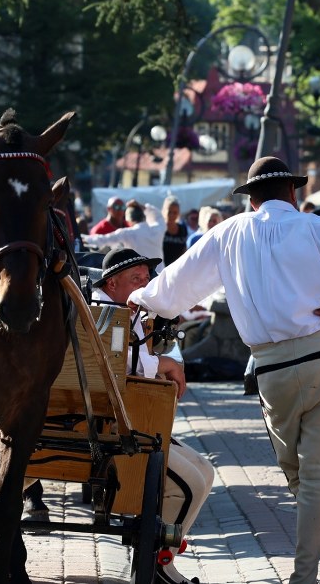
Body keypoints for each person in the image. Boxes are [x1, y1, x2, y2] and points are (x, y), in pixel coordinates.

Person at [129, 157, 320, 584]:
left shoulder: (230, 233)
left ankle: (307, 575)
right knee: (317, 478)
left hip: (274, 368)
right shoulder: (319, 227)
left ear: (251, 200)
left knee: (303, 478)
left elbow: (173, 286)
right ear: (292, 191)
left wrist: (139, 299)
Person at [94, 248, 214, 584]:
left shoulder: (123, 309)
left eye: (147, 279)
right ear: (112, 282)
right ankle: (159, 565)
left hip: (133, 418)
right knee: (190, 485)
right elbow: (114, 364)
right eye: (136, 279)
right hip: (112, 427)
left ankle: (159, 560)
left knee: (204, 472)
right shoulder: (101, 308)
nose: (144, 286)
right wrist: (164, 364)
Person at [82, 201, 164, 261]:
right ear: (144, 216)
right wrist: (142, 206)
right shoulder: (157, 229)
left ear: (128, 220)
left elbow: (103, 240)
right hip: (159, 274)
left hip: (142, 274)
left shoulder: (127, 233)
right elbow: (158, 216)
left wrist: (84, 238)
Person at [160, 196, 188, 266]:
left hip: (177, 268)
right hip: (161, 268)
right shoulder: (159, 228)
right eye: (169, 212)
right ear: (163, 211)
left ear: (178, 213)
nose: (171, 215)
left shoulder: (183, 229)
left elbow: (184, 250)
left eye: (175, 212)